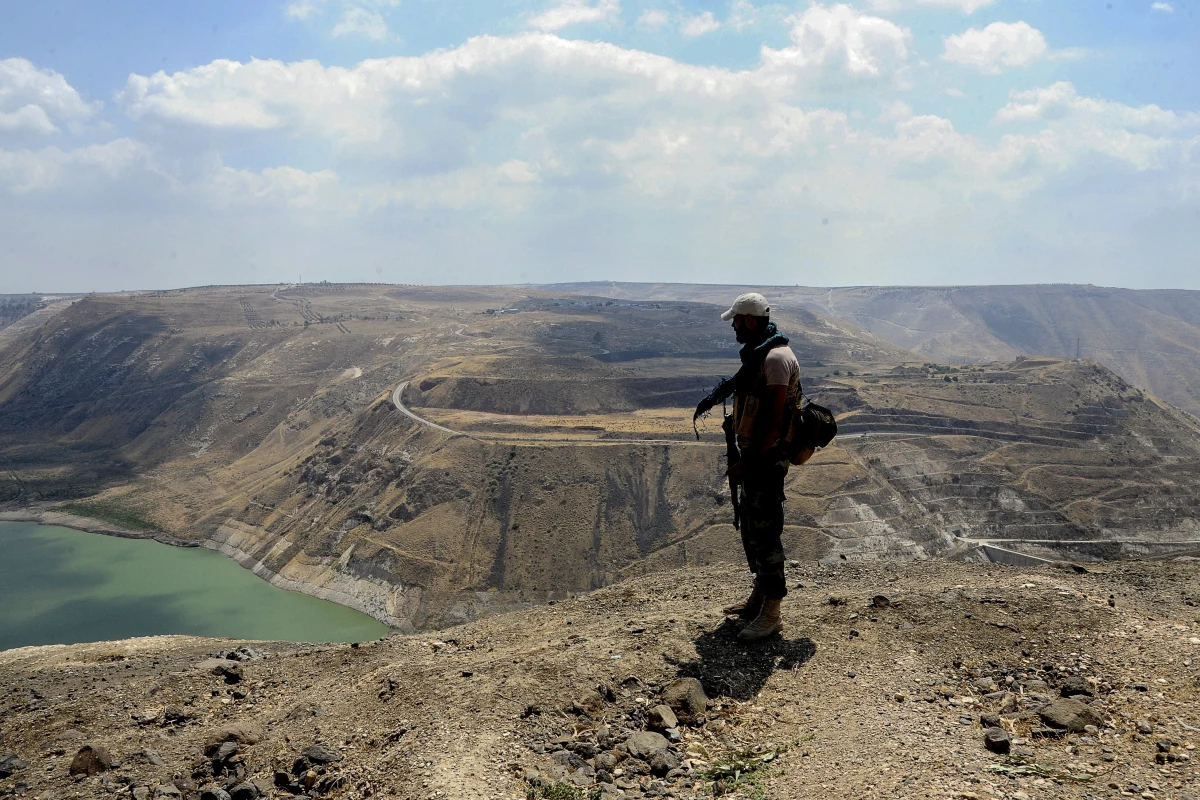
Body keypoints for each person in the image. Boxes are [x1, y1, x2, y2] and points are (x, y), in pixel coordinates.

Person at [693, 292, 800, 641]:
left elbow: (771, 422)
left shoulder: (776, 359)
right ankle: (759, 597)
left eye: (737, 320)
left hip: (765, 461)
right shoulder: (760, 355)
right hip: (755, 457)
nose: (734, 326)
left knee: (766, 535)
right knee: (753, 531)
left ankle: (772, 613)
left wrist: (747, 464)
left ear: (750, 320)